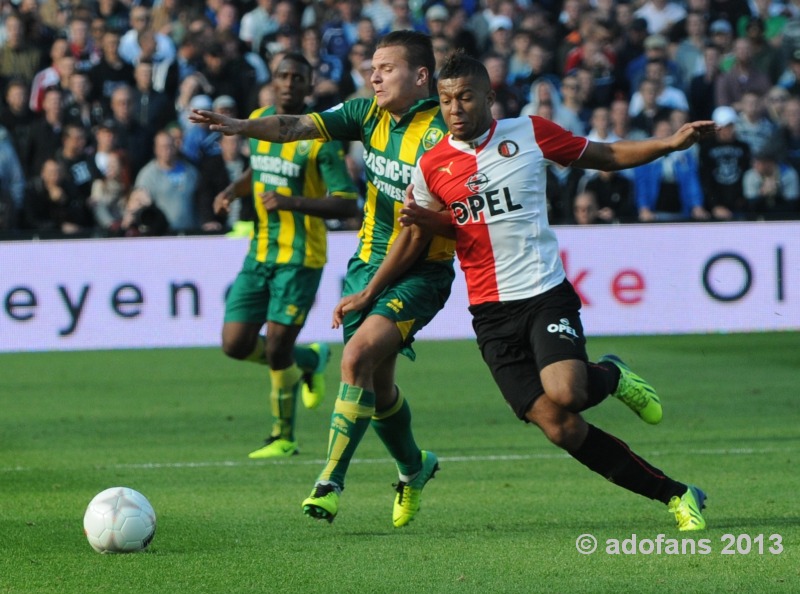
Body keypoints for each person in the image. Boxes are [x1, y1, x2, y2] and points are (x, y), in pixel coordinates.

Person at [392, 52, 712, 531]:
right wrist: (371, 290)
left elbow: (604, 156)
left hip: (543, 293)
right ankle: (677, 494)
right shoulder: (432, 165)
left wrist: (670, 143)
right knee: (559, 426)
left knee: (567, 391)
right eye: (444, 100)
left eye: (464, 97)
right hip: (490, 314)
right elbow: (437, 230)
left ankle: (609, 375)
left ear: (488, 97)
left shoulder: (529, 132)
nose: (454, 108)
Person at [191, 31, 455, 528]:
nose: (373, 76)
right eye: (372, 67)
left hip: (421, 270)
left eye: (387, 68)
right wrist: (240, 126)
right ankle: (413, 468)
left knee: (354, 359)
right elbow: (292, 127)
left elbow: (418, 235)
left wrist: (369, 293)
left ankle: (329, 482)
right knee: (377, 387)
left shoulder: (442, 137)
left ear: (421, 75)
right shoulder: (365, 114)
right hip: (366, 262)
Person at [211, 53, 359, 459]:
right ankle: (311, 360)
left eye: (298, 77)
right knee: (234, 344)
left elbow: (348, 203)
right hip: (258, 253)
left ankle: (283, 437)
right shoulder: (260, 119)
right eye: (283, 76)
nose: (290, 83)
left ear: (310, 87)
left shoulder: (320, 139)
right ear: (272, 83)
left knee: (277, 348)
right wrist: (231, 191)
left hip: (301, 258)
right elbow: (259, 169)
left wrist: (292, 202)